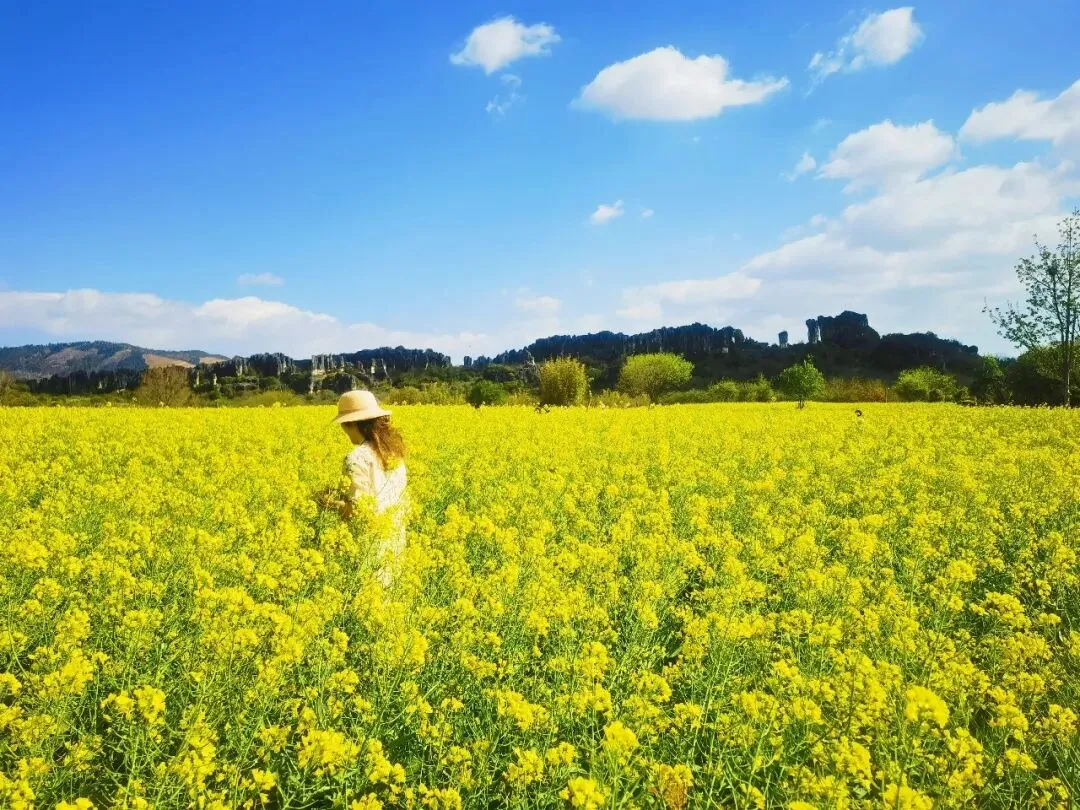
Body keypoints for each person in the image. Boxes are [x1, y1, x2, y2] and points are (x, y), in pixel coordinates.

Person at [330, 389, 409, 586]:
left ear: (349, 424)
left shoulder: (356, 459)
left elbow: (357, 510)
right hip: (395, 538)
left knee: (367, 593)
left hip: (369, 544)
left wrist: (328, 502)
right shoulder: (394, 454)